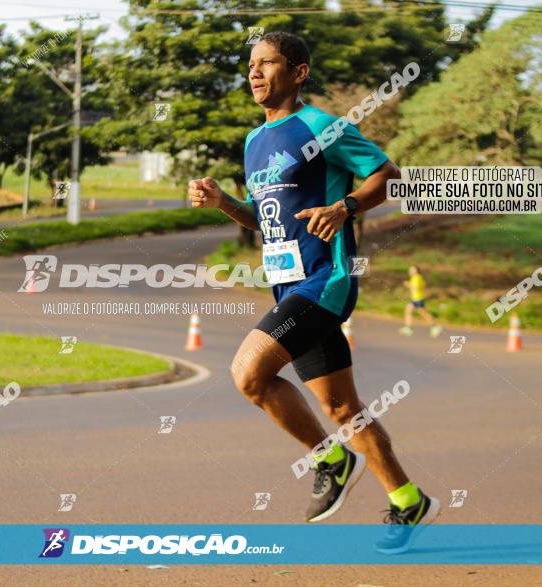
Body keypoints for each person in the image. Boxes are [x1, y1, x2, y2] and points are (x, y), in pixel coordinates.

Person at [188, 31, 439, 554]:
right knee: (344, 407)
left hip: (326, 278)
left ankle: (329, 458)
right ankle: (408, 497)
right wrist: (224, 203)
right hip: (287, 286)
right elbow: (266, 221)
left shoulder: (322, 126)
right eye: (250, 64)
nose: (254, 73)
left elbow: (386, 174)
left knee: (249, 374)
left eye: (267, 63)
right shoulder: (255, 142)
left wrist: (343, 208)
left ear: (298, 72)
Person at [399, 265, 443, 338]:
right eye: (410, 270)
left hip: (418, 299)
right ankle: (408, 328)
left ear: (417, 270)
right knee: (409, 310)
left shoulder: (416, 277)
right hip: (416, 299)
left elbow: (415, 287)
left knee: (424, 314)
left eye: (412, 270)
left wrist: (408, 285)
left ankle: (435, 327)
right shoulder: (416, 278)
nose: (410, 271)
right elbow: (423, 285)